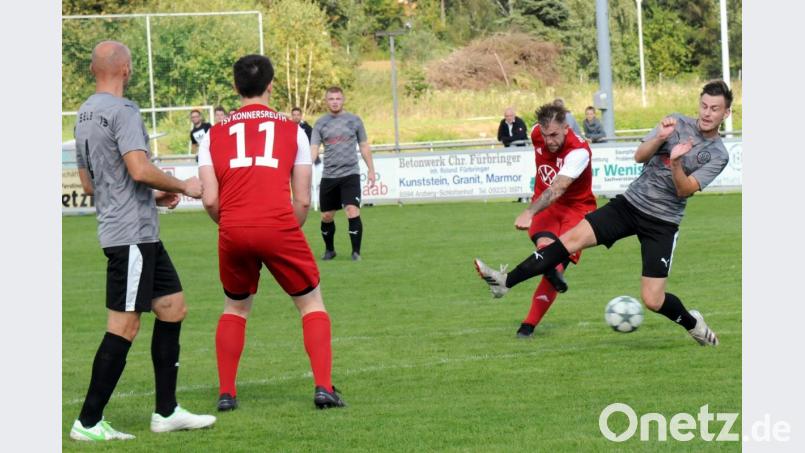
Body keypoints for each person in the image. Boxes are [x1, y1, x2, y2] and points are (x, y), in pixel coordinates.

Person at [475, 80, 734, 347]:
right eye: (704, 105)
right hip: (629, 205)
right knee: (570, 240)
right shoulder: (677, 122)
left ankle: (695, 325)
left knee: (653, 300)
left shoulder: (718, 154)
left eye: (714, 109)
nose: (706, 113)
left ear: (725, 114)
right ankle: (506, 281)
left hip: (662, 222)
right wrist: (659, 136)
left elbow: (684, 190)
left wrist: (677, 161)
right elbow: (639, 156)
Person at [70, 40, 216, 442]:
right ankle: (88, 422)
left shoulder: (83, 114)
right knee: (124, 325)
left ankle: (166, 412)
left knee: (172, 307)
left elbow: (90, 183)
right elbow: (139, 168)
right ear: (126, 69)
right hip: (130, 234)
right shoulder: (124, 109)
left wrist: (153, 196)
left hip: (137, 230)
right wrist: (183, 186)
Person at [198, 54, 346, 412]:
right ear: (270, 85)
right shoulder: (292, 130)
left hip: (232, 227)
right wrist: (281, 229)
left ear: (235, 88)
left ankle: (227, 393)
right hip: (279, 225)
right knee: (311, 303)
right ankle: (323, 387)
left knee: (235, 307)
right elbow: (303, 198)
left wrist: (233, 224)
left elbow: (209, 199)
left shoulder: (212, 134)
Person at [479, 103, 597, 338]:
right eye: (545, 135)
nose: (548, 141)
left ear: (565, 128)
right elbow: (549, 189)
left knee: (554, 264)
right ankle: (527, 318)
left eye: (554, 135)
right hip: (546, 206)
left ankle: (527, 323)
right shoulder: (536, 134)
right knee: (549, 256)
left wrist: (530, 212)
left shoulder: (579, 151)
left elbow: (559, 187)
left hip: (576, 209)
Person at [310, 86, 376, 261]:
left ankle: (356, 252)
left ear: (343, 100)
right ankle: (329, 250)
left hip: (350, 174)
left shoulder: (354, 120)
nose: (335, 102)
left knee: (352, 210)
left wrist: (371, 170)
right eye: (331, 99)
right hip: (329, 176)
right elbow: (314, 148)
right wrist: (306, 165)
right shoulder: (320, 123)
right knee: (326, 216)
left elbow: (364, 146)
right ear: (326, 101)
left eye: (338, 98)